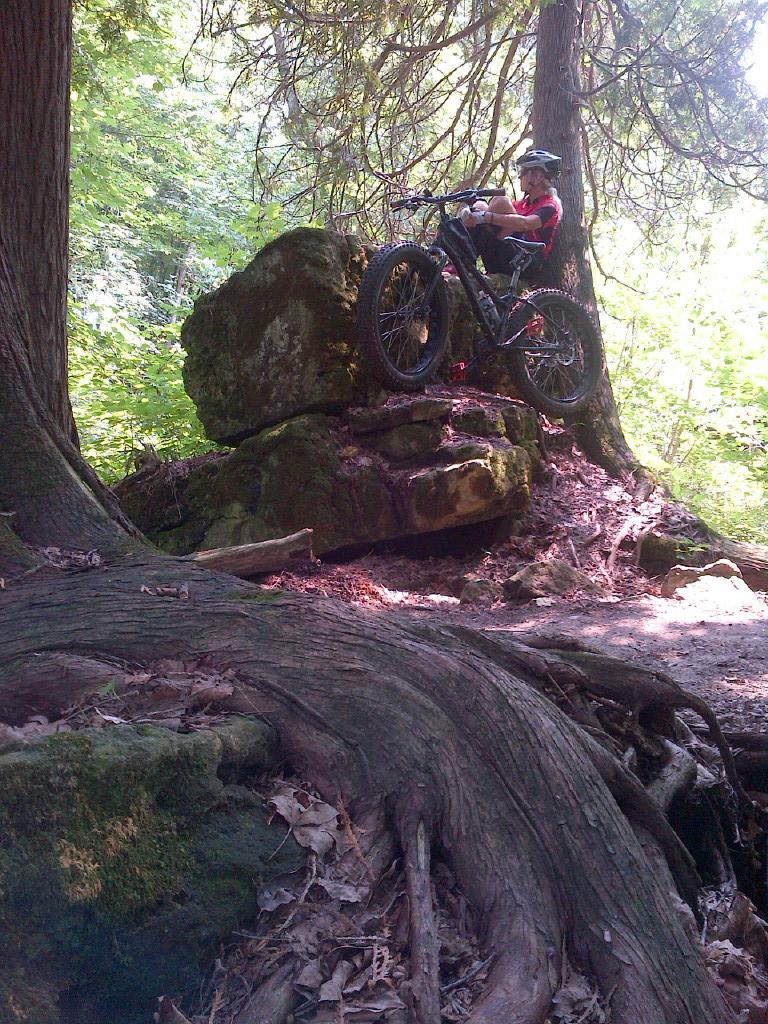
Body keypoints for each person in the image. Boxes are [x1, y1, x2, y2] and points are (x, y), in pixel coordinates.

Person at [461, 149, 563, 283]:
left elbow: (526, 224)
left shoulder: (550, 204)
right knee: (481, 205)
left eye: (522, 172)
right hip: (505, 253)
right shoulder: (522, 204)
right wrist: (476, 212)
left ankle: (460, 262)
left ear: (536, 177)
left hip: (526, 261)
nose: (520, 177)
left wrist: (485, 217)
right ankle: (459, 262)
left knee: (500, 201)